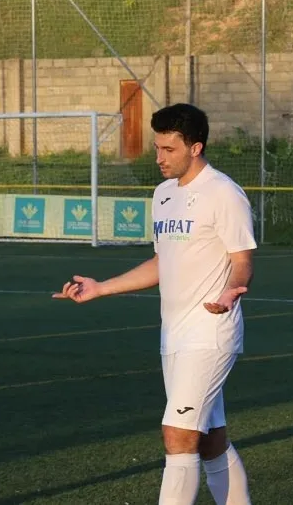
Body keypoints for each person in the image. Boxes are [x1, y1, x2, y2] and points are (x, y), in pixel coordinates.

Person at [53, 103, 256, 505]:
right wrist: (100, 288)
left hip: (210, 333)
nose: (159, 158)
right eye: (157, 148)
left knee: (177, 436)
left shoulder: (223, 193)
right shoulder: (163, 195)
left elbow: (242, 260)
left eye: (168, 149)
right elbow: (162, 262)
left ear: (195, 147)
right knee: (210, 440)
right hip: (174, 336)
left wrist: (232, 289)